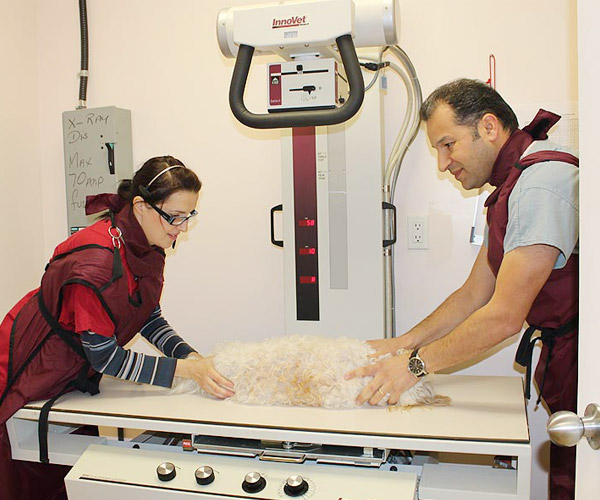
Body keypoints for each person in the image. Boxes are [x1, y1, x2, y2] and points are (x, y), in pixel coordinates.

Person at [346, 79, 578, 500]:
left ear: (488, 127)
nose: (442, 162)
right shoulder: (512, 189)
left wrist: (414, 366)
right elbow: (475, 293)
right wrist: (404, 343)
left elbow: (504, 316)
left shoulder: (541, 184)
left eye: (447, 144)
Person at [0, 155, 235, 500]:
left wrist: (193, 357)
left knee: (70, 471)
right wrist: (185, 370)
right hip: (28, 369)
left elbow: (147, 316)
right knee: (25, 476)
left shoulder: (145, 246)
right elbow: (106, 358)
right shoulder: (95, 261)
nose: (182, 227)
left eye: (189, 216)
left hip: (70, 374)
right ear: (140, 206)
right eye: (176, 216)